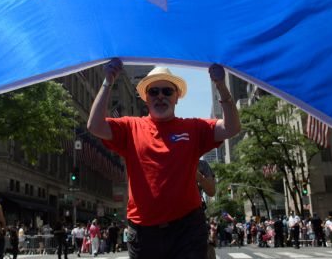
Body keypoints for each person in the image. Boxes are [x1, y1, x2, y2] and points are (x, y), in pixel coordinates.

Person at [88, 60, 240, 258]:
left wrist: (221, 85)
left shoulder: (193, 128)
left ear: (177, 97)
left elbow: (232, 128)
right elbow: (95, 126)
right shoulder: (130, 127)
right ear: (146, 98)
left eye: (167, 92)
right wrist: (108, 82)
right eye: (154, 92)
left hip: (187, 230)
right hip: (143, 232)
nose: (160, 96)